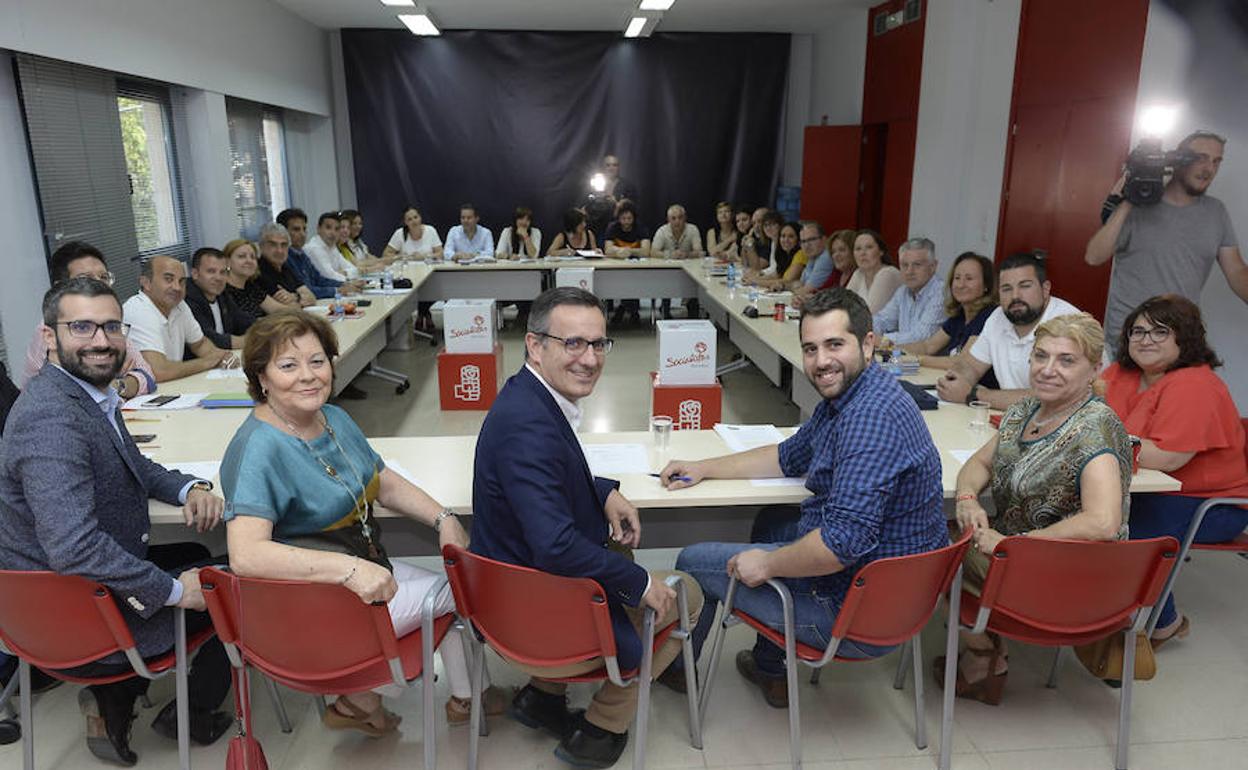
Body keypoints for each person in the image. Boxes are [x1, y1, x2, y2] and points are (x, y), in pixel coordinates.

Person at [220, 312, 506, 735]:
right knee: (462, 587)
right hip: (316, 604)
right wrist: (351, 569)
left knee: (445, 584)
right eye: (288, 365)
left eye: (318, 361)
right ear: (260, 377)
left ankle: (447, 698)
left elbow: (381, 480)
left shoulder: (331, 419)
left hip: (353, 571)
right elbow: (246, 555)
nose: (308, 376)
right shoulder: (259, 449)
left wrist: (443, 518)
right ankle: (366, 696)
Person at [664, 288, 947, 708]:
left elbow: (839, 545)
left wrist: (767, 563)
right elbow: (788, 456)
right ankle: (770, 667)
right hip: (890, 590)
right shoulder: (856, 395)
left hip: (854, 612)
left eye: (835, 345)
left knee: (691, 560)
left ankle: (671, 670)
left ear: (868, 344)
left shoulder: (868, 420)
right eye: (810, 348)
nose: (820, 361)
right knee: (772, 521)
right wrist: (706, 466)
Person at [0, 276, 232, 764]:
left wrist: (188, 487)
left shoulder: (84, 394)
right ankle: (188, 708)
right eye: (81, 327)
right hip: (79, 611)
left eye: (110, 326)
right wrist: (174, 592)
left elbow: (133, 463)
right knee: (230, 578)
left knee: (194, 554)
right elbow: (74, 548)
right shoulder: (52, 420)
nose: (101, 340)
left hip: (69, 593)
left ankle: (116, 696)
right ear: (49, 337)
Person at [470, 287, 703, 768]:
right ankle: (603, 726)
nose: (590, 358)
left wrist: (601, 491)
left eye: (598, 344)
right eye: (573, 343)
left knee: (619, 558)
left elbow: (546, 474)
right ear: (536, 345)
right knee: (686, 592)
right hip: (538, 617)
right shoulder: (528, 425)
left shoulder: (528, 397)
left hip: (512, 593)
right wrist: (641, 585)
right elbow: (555, 547)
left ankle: (543, 698)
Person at [944, 313, 1131, 705]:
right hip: (1021, 555)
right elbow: (979, 464)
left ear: (1094, 369)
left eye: (1066, 360)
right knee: (947, 528)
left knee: (931, 545)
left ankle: (983, 656)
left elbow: (1102, 521)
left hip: (1063, 572)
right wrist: (966, 499)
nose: (1048, 370)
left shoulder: (1095, 424)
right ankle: (988, 648)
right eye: (1040, 356)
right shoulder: (1026, 411)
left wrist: (1017, 545)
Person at [1101, 295, 1248, 647]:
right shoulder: (1122, 372)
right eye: (1137, 331)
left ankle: (1164, 622)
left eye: (1159, 331)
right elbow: (1079, 409)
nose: (1145, 339)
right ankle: (1098, 606)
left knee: (1123, 528)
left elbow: (1167, 457)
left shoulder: (1196, 384)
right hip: (1144, 486)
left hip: (1209, 503)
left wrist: (1091, 442)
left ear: (1185, 337)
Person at [1084, 130, 1247, 356]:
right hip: (1130, 340)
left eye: (1216, 161)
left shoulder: (1215, 212)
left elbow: (1237, 270)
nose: (1208, 169)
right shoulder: (1137, 207)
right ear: (1178, 160)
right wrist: (1128, 200)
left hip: (1179, 341)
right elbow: (1094, 256)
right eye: (1200, 158)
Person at [936, 252, 1081, 410]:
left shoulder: (1069, 324)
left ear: (1045, 289)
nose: (1015, 296)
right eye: (1006, 288)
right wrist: (956, 379)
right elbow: (971, 366)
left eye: (1025, 286)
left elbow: (1048, 398)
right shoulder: (997, 317)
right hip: (1014, 422)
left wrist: (974, 395)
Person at [22, 241, 155, 399]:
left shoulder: (108, 322)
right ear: (60, 287)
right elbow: (76, 392)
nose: (99, 284)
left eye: (104, 277)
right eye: (85, 279)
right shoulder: (54, 329)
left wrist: (118, 385)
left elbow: (148, 375)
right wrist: (110, 379)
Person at [124, 255, 238, 382]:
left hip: (170, 387)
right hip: (139, 396)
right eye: (168, 279)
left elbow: (200, 344)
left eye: (181, 281)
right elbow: (158, 371)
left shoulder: (180, 305)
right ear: (146, 283)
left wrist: (221, 357)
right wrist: (208, 362)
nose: (177, 287)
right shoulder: (138, 310)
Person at [900, 251, 998, 375]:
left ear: (986, 285)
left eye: (969, 279)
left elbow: (961, 362)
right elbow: (928, 346)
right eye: (957, 278)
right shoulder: (960, 315)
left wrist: (916, 360)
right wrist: (892, 349)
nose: (961, 285)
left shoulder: (989, 316)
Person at [874, 237, 947, 346]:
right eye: (904, 265)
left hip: (931, 361)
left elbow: (922, 336)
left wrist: (882, 339)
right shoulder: (902, 291)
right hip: (905, 358)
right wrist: (866, 331)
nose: (909, 271)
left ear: (933, 266)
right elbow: (882, 319)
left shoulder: (942, 292)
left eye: (917, 265)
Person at [184, 247, 252, 350]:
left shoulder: (222, 294)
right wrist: (255, 340)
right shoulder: (186, 299)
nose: (218, 278)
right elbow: (210, 339)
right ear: (195, 274)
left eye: (223, 272)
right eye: (211, 271)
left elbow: (244, 320)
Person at [278, 209, 353, 300]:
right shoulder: (284, 257)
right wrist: (337, 290)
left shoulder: (302, 254)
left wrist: (344, 284)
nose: (302, 234)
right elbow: (306, 290)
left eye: (304, 229)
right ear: (282, 232)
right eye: (296, 229)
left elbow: (319, 279)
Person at [255, 223, 337, 305]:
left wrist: (295, 297)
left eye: (284, 245)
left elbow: (311, 297)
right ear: (261, 246)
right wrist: (299, 297)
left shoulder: (285, 268)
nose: (279, 250)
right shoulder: (258, 272)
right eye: (273, 245)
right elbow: (286, 306)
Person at [652, 204, 704, 319]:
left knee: (693, 285)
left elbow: (699, 251)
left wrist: (687, 254)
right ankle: (665, 309)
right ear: (668, 220)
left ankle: (693, 311)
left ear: (685, 218)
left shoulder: (692, 229)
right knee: (666, 282)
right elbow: (653, 252)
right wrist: (670, 255)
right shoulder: (662, 231)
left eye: (680, 217)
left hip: (689, 270)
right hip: (667, 272)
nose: (677, 221)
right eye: (673, 218)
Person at [222, 238, 288, 319]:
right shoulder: (223, 291)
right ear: (227, 262)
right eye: (242, 256)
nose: (249, 260)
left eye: (253, 257)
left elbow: (279, 310)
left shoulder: (250, 287)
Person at [846, 229, 903, 314]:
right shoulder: (858, 274)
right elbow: (842, 306)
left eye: (869, 247)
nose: (862, 253)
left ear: (881, 251)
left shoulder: (888, 273)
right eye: (858, 249)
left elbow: (871, 314)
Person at [584, 154, 640, 239]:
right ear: (603, 167)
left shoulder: (627, 185)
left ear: (618, 167)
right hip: (596, 226)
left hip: (618, 228)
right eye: (608, 165)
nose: (611, 168)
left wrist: (616, 202)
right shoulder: (596, 183)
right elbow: (587, 203)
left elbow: (632, 208)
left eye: (615, 165)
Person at [749, 221, 805, 292]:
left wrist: (755, 282)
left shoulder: (801, 254)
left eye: (791, 236)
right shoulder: (784, 254)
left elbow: (787, 281)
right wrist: (754, 278)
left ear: (798, 240)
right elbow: (776, 276)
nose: (786, 240)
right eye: (783, 236)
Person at [304, 212, 360, 281]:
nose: (333, 233)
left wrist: (343, 272)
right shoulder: (314, 248)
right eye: (328, 227)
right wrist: (344, 274)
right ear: (318, 229)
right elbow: (329, 277)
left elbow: (355, 270)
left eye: (336, 229)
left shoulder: (332, 247)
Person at [743, 211, 784, 276]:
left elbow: (777, 271)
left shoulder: (783, 243)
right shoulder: (773, 242)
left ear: (780, 225)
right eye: (766, 225)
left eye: (772, 224)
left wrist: (760, 273)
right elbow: (745, 263)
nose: (768, 228)